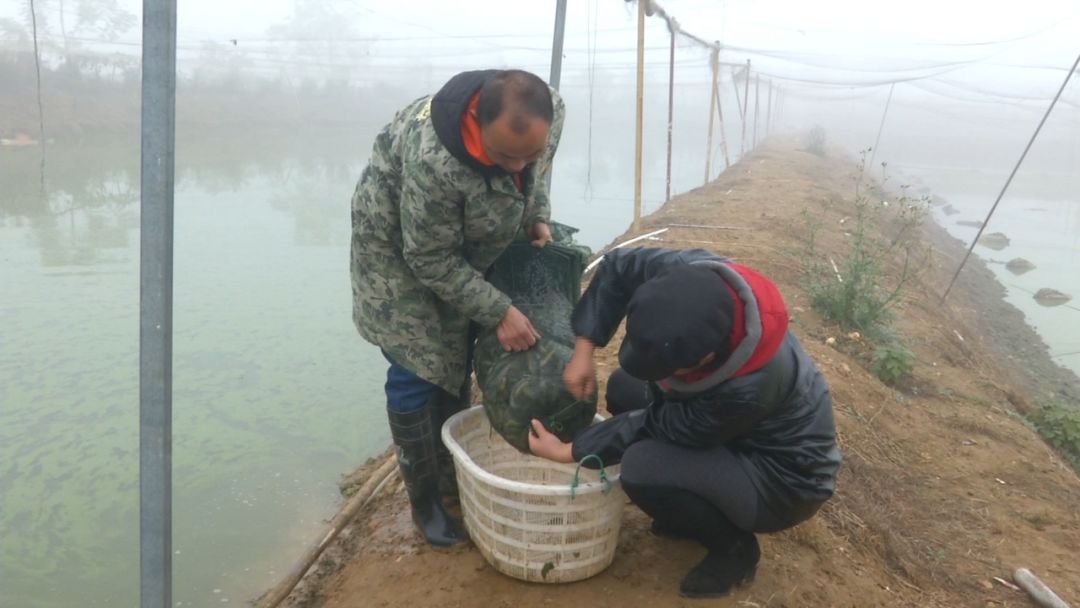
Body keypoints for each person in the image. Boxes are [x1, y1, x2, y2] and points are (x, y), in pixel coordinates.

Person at [529, 247, 842, 598]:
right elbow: (618, 265)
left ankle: (734, 549)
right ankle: (688, 506)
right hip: (736, 429)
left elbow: (654, 426)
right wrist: (583, 351)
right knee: (623, 388)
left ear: (706, 356)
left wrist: (571, 451)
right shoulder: (686, 274)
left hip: (782, 479)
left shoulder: (750, 387)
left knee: (642, 466)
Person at [351, 69, 564, 547]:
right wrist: (500, 311)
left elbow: (537, 168)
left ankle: (452, 470)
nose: (519, 166)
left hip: (461, 241)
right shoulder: (435, 163)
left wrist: (536, 214)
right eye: (507, 156)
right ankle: (424, 500)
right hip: (399, 256)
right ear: (479, 126)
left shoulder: (544, 113)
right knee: (418, 364)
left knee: (458, 352)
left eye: (529, 153)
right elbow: (426, 256)